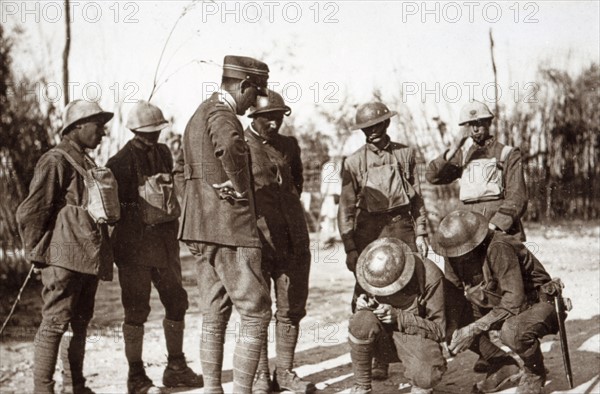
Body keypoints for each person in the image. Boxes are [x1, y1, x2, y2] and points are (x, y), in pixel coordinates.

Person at [176, 55, 272, 394]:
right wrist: (237, 184)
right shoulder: (221, 113)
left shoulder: (195, 116)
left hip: (199, 230)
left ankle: (213, 389)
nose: (256, 102)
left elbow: (178, 169)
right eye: (256, 92)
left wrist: (193, 205)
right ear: (244, 86)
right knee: (256, 311)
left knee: (214, 312)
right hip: (230, 228)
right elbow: (231, 145)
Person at [16, 100, 114, 394]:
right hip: (63, 260)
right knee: (55, 324)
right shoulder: (55, 161)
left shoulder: (86, 162)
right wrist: (36, 254)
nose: (103, 134)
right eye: (98, 127)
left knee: (80, 324)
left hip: (88, 258)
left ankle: (76, 386)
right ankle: (42, 390)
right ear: (77, 127)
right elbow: (31, 211)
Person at [106, 101, 203, 393]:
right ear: (135, 131)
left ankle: (176, 367)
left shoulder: (163, 153)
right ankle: (136, 377)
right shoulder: (118, 163)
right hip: (134, 248)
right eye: (148, 132)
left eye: (157, 131)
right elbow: (114, 212)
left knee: (177, 302)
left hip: (165, 245)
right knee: (136, 310)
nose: (154, 137)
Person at [338, 101, 429, 379]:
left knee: (410, 290)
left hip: (401, 227)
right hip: (369, 234)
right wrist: (351, 248)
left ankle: (416, 350)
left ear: (386, 124)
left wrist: (422, 232)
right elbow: (345, 209)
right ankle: (379, 358)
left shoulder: (405, 154)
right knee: (368, 295)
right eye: (366, 128)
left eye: (376, 126)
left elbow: (417, 197)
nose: (372, 133)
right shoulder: (353, 162)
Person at [432, 210, 566, 394]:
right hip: (497, 303)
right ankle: (501, 364)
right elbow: (454, 294)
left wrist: (472, 329)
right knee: (450, 318)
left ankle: (535, 373)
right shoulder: (454, 251)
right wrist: (452, 328)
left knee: (512, 331)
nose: (457, 257)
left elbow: (514, 301)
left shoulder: (498, 246)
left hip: (536, 303)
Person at [243, 91, 314, 393]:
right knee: (257, 308)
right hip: (257, 239)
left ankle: (284, 371)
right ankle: (260, 376)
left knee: (290, 307)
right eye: (266, 117)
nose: (273, 123)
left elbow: (296, 184)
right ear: (253, 117)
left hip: (292, 238)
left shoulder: (290, 145)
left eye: (278, 117)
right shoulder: (240, 146)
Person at [348, 238, 447, 394]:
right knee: (361, 321)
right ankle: (362, 385)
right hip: (383, 339)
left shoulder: (429, 275)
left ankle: (419, 379)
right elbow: (356, 320)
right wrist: (361, 306)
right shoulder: (369, 271)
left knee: (426, 378)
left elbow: (439, 330)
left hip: (413, 335)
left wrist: (400, 317)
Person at [426, 100, 527, 241]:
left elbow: (517, 197)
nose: (475, 129)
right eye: (470, 124)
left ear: (489, 123)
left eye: (479, 123)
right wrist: (455, 147)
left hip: (497, 227)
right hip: (467, 226)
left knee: (502, 259)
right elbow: (432, 176)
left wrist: (494, 225)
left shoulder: (507, 153)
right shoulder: (463, 155)